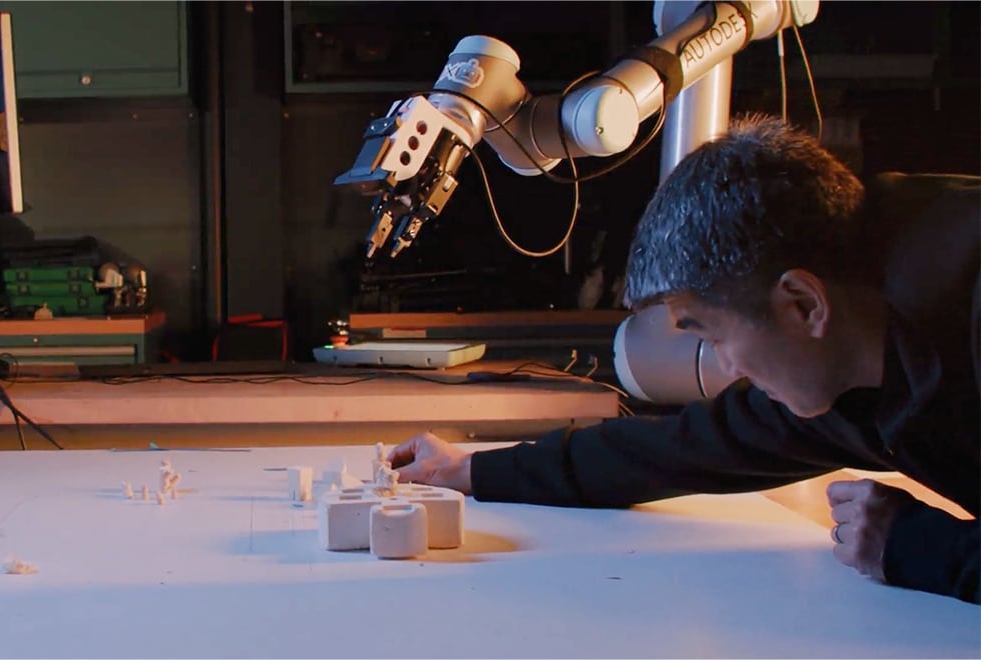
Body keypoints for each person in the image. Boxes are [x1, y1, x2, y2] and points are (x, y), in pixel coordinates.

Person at [388, 115, 980, 604]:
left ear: (803, 303)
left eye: (710, 335)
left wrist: (914, 546)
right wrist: (470, 471)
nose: (724, 369)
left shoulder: (961, 296)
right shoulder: (845, 344)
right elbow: (684, 448)